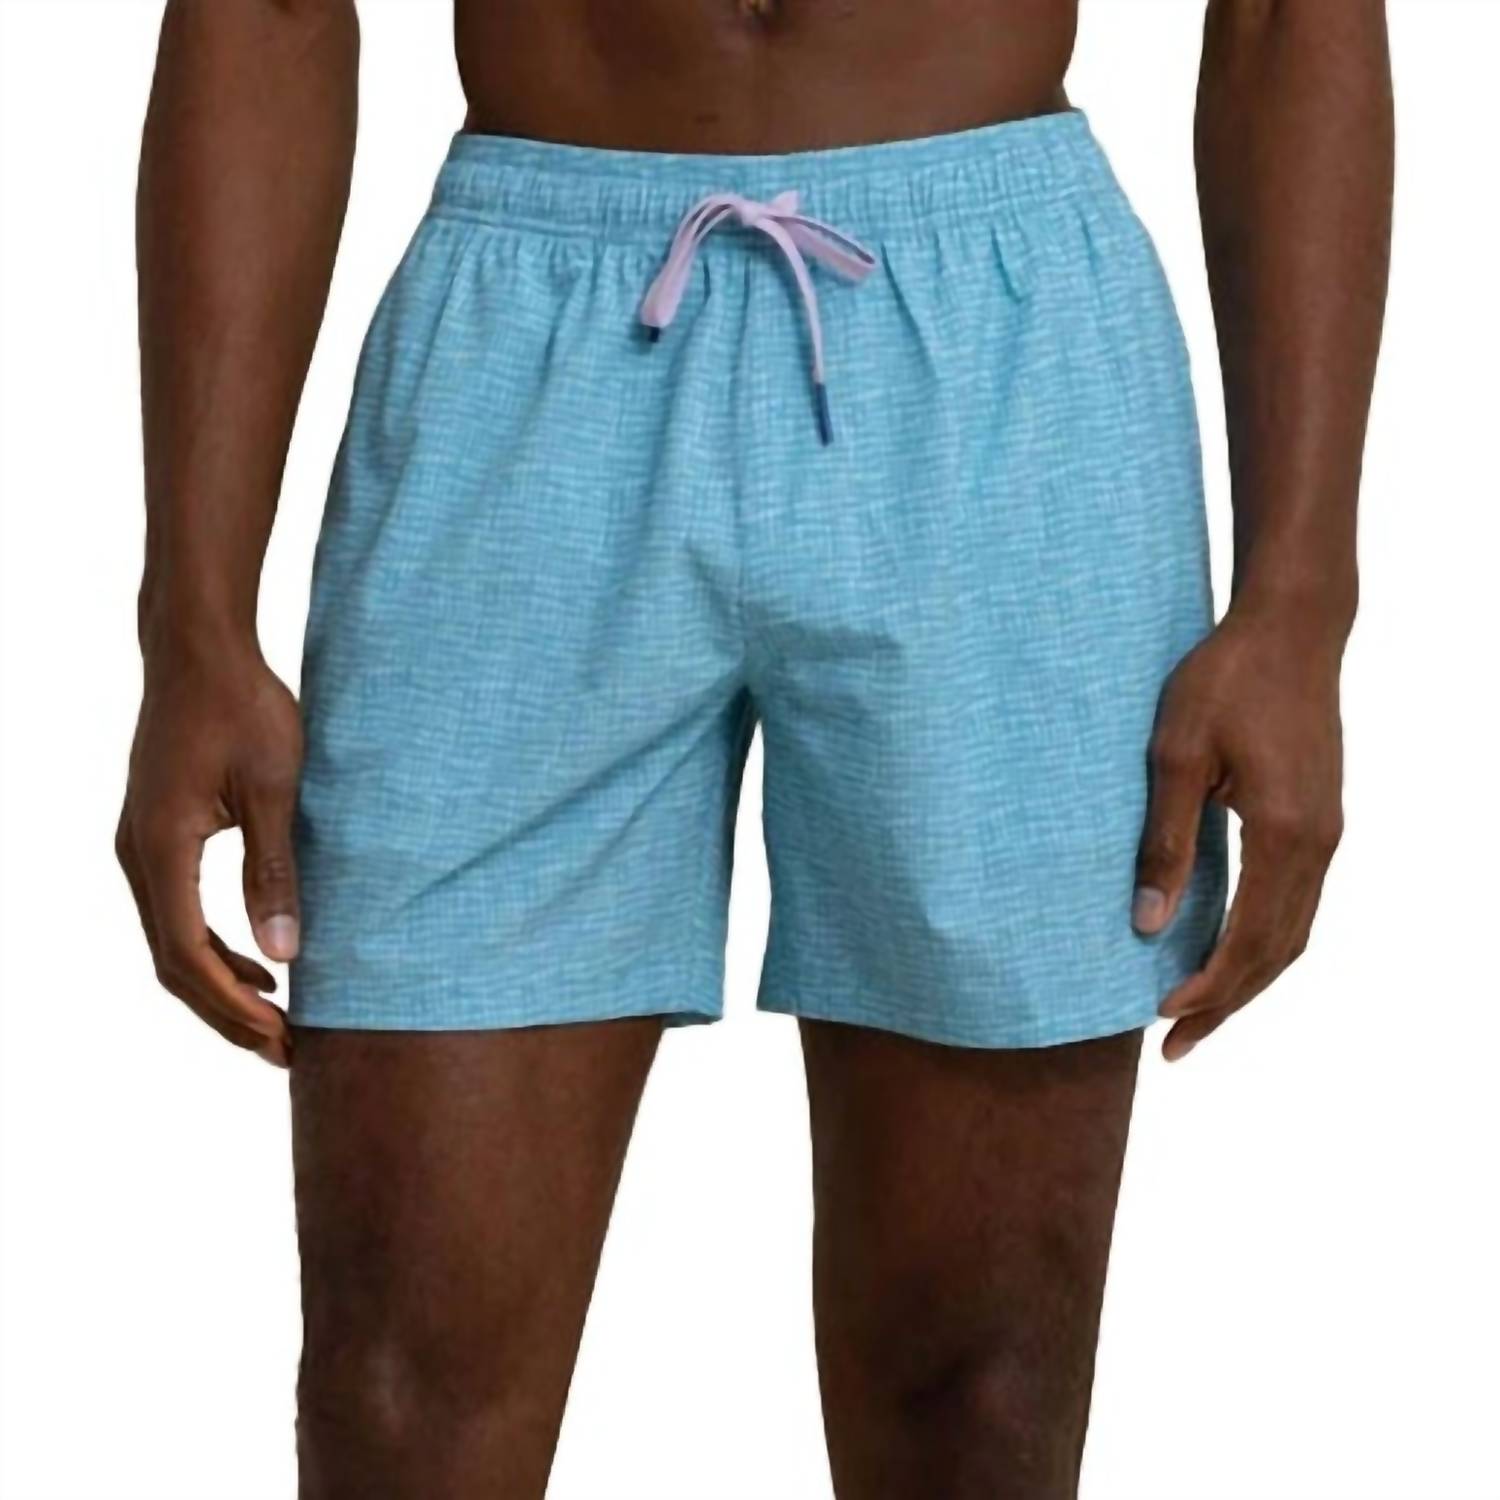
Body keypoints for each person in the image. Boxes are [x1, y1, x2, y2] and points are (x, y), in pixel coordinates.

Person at [116, 1, 1393, 1495]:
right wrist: (190, 621)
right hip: (527, 342)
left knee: (979, 1401)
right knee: (398, 1395)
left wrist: (1302, 598)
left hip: (998, 342)